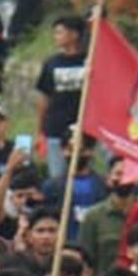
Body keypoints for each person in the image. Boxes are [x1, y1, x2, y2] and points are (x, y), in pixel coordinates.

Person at [36, 16, 88, 180]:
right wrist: (40, 130)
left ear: (74, 35)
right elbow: (44, 97)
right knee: (58, 175)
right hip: (56, 128)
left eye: (60, 32)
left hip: (84, 130)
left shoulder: (90, 61)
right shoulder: (51, 63)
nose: (56, 36)